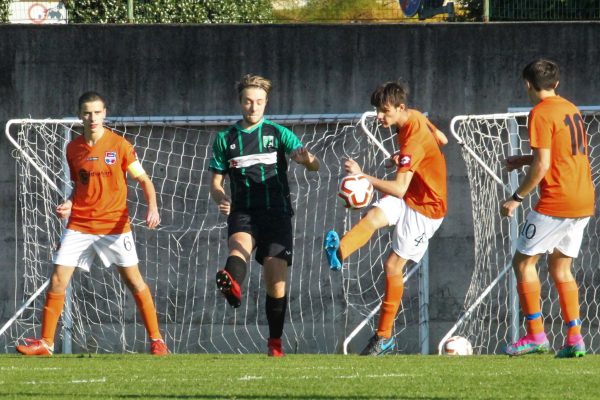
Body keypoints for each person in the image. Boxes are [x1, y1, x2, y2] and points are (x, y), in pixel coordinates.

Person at [16, 92, 168, 356]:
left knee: (134, 282)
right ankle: (46, 343)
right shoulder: (73, 148)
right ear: (80, 115)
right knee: (57, 280)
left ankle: (157, 341)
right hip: (80, 225)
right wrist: (70, 203)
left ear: (105, 113)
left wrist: (152, 207)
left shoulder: (119, 145)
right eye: (87, 112)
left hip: (114, 227)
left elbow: (144, 180)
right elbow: (81, 185)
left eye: (97, 112)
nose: (92, 117)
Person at [324, 80, 447, 355]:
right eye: (378, 110)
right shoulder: (413, 116)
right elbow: (442, 139)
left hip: (425, 208)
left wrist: (362, 177)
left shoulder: (412, 137)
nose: (379, 116)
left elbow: (399, 187)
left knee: (392, 267)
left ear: (399, 107)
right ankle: (339, 251)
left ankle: (384, 337)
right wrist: (401, 157)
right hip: (410, 196)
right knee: (373, 217)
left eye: (384, 111)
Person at [209, 74, 320, 357]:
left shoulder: (278, 133)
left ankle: (274, 342)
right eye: (248, 101)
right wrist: (222, 198)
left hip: (276, 212)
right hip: (243, 211)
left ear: (266, 102)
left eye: (258, 102)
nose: (253, 107)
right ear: (240, 102)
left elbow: (313, 164)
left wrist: (307, 160)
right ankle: (233, 285)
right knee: (238, 247)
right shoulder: (225, 139)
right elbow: (216, 184)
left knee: (276, 279)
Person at [501, 59, 594, 358]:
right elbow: (561, 154)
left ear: (527, 84)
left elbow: (543, 165)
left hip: (557, 201)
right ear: (557, 83)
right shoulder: (571, 108)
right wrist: (524, 160)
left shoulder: (539, 113)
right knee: (561, 267)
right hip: (583, 200)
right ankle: (575, 339)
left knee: (523, 264)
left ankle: (535, 335)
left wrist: (516, 197)